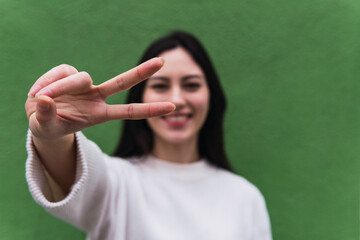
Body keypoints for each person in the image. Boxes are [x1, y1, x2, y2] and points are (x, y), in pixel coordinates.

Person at [25, 31, 272, 240]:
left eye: (191, 85)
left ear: (211, 97)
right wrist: (52, 136)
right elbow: (72, 170)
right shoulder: (117, 183)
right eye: (160, 86)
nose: (177, 99)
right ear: (140, 97)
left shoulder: (245, 198)